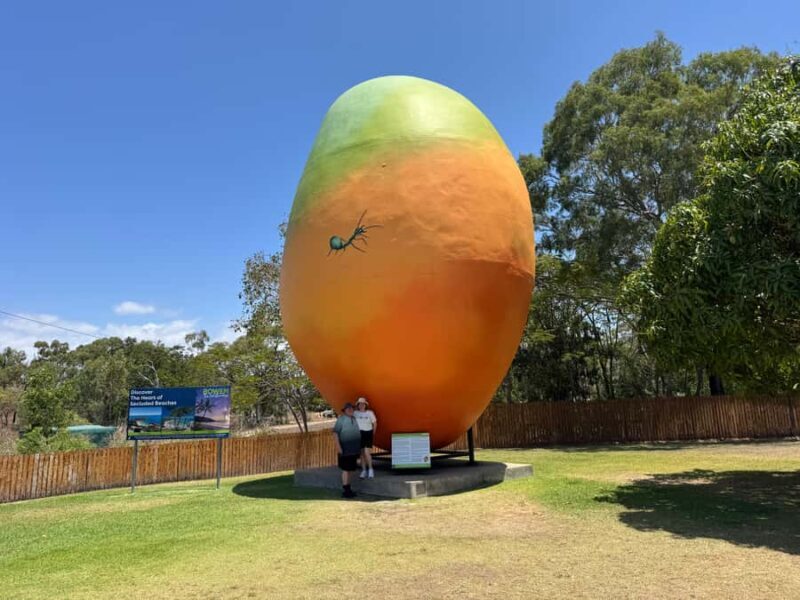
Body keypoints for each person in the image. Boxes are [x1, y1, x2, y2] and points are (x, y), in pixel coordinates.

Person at [332, 402, 361, 498]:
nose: (350, 410)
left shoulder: (354, 419)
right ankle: (346, 490)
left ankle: (349, 489)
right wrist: (338, 447)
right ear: (344, 411)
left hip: (354, 450)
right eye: (348, 409)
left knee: (350, 470)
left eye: (351, 409)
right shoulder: (341, 419)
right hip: (344, 449)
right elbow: (335, 433)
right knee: (345, 470)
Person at [354, 397, 377, 479]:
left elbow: (374, 423)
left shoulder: (370, 413)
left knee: (367, 452)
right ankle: (364, 470)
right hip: (359, 433)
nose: (361, 405)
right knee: (361, 453)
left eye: (363, 404)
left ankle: (371, 470)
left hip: (368, 432)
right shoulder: (355, 413)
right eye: (360, 404)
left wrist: (373, 432)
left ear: (365, 405)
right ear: (358, 405)